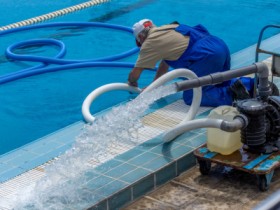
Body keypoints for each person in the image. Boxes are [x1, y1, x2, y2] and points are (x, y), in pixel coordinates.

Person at [127, 19, 256, 107]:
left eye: (139, 43)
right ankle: (251, 85)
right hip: (219, 46)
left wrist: (131, 83)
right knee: (220, 82)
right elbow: (164, 64)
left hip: (205, 56)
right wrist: (154, 86)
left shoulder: (150, 43)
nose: (141, 45)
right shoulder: (169, 28)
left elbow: (135, 74)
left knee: (192, 97)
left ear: (141, 37)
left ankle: (234, 96)